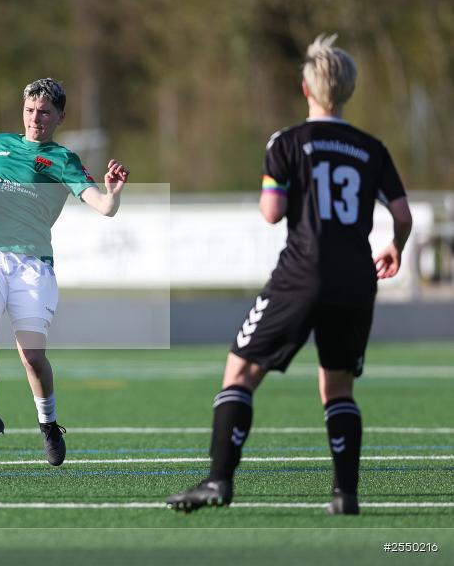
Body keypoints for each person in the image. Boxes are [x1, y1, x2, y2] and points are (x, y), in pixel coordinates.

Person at [166, 34, 412, 515]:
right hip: (356, 277)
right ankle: (344, 495)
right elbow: (402, 216)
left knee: (240, 370)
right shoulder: (371, 148)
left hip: (303, 272)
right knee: (338, 386)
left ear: (305, 89)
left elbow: (272, 212)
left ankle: (218, 481)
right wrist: (395, 248)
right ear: (348, 91)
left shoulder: (287, 142)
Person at [0, 78, 129, 465]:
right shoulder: (0, 143)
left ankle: (48, 424)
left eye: (45, 112)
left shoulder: (63, 159)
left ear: (60, 117)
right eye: (30, 110)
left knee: (32, 355)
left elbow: (103, 206)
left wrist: (113, 192)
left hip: (31, 264)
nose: (36, 118)